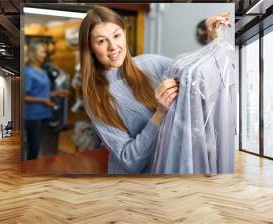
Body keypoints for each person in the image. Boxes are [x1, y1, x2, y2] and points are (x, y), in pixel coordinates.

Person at [78, 6, 230, 174]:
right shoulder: (95, 99)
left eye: (116, 35)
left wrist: (213, 41)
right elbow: (129, 160)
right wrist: (159, 113)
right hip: (132, 188)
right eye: (101, 41)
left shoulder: (151, 63)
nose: (112, 46)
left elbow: (196, 78)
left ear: (124, 34)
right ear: (90, 47)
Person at [24, 41, 69, 160]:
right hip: (33, 116)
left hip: (45, 114)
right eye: (42, 52)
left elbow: (43, 93)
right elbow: (24, 97)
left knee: (40, 146)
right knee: (33, 147)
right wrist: (43, 101)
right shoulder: (28, 72)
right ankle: (29, 173)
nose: (44, 55)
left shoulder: (43, 72)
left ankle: (37, 170)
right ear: (33, 53)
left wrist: (58, 93)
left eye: (45, 52)